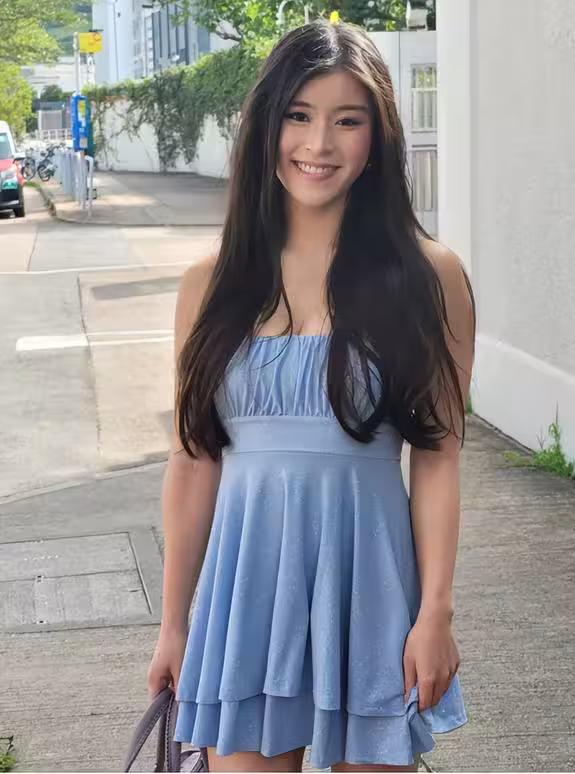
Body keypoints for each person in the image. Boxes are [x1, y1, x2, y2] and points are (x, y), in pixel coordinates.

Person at [147, 19, 475, 773]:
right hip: (244, 594)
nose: (319, 144)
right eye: (299, 115)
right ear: (266, 126)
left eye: (347, 121)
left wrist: (435, 611)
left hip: (370, 592)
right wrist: (173, 624)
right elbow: (193, 461)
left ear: (378, 138)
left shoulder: (429, 276)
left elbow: (438, 457)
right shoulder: (210, 283)